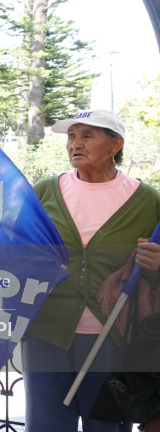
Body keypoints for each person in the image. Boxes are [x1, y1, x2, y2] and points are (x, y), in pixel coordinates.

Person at [23, 109, 160, 432]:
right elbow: (16, 251)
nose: (75, 144)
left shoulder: (148, 200)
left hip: (114, 339)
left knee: (107, 427)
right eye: (71, 136)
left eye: (87, 136)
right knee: (46, 426)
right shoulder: (43, 192)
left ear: (115, 146)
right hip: (47, 334)